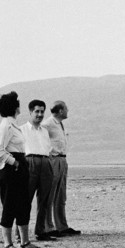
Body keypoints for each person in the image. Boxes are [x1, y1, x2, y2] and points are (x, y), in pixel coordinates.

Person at [0, 91, 42, 248]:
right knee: (10, 205)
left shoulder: (13, 125)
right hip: (10, 170)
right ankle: (7, 244)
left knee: (23, 204)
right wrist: (15, 162)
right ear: (15, 107)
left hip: (19, 168)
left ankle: (25, 241)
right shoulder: (6, 125)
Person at [43, 101, 81, 237]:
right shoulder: (47, 124)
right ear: (60, 111)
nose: (67, 110)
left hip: (62, 160)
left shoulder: (59, 124)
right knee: (50, 194)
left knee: (60, 195)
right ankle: (48, 226)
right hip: (53, 160)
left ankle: (62, 226)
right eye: (66, 108)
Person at [21, 100, 55, 243]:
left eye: (42, 111)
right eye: (37, 111)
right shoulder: (22, 129)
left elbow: (47, 149)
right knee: (25, 200)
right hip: (30, 163)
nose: (40, 114)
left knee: (44, 200)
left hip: (45, 163)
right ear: (30, 112)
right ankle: (21, 234)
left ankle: (41, 231)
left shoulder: (45, 131)